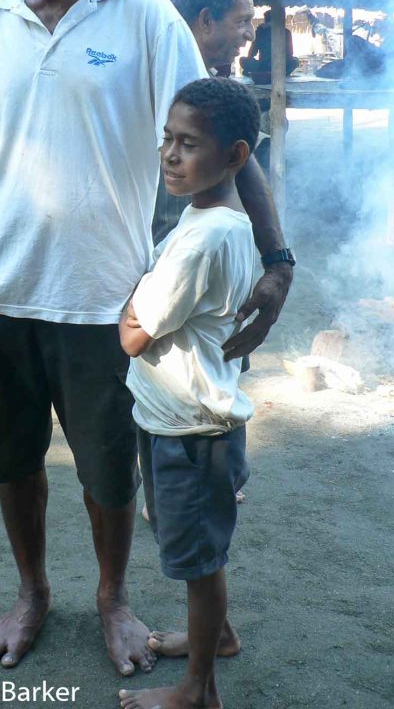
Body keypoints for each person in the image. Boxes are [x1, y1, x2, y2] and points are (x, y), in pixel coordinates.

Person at [0, 0, 293, 676]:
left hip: (106, 297)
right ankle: (32, 592)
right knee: (13, 459)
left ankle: (112, 598)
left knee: (108, 469)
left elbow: (228, 130)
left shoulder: (144, 14)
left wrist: (277, 260)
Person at [118, 78, 260, 709]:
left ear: (234, 156)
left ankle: (197, 691)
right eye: (167, 140)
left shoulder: (203, 240)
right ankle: (217, 636)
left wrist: (132, 303)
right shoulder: (215, 219)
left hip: (192, 431)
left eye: (189, 144)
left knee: (200, 564)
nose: (170, 156)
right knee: (196, 544)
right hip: (178, 418)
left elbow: (133, 335)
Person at [154, 0, 256, 246]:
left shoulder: (203, 80)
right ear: (207, 20)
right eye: (242, 21)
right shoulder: (176, 83)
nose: (251, 34)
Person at [240, 9, 299, 79]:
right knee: (295, 61)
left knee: (243, 60)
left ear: (266, 20)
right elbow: (290, 53)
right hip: (281, 67)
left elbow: (251, 53)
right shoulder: (286, 32)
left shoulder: (261, 32)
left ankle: (262, 72)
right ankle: (283, 73)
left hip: (263, 67)